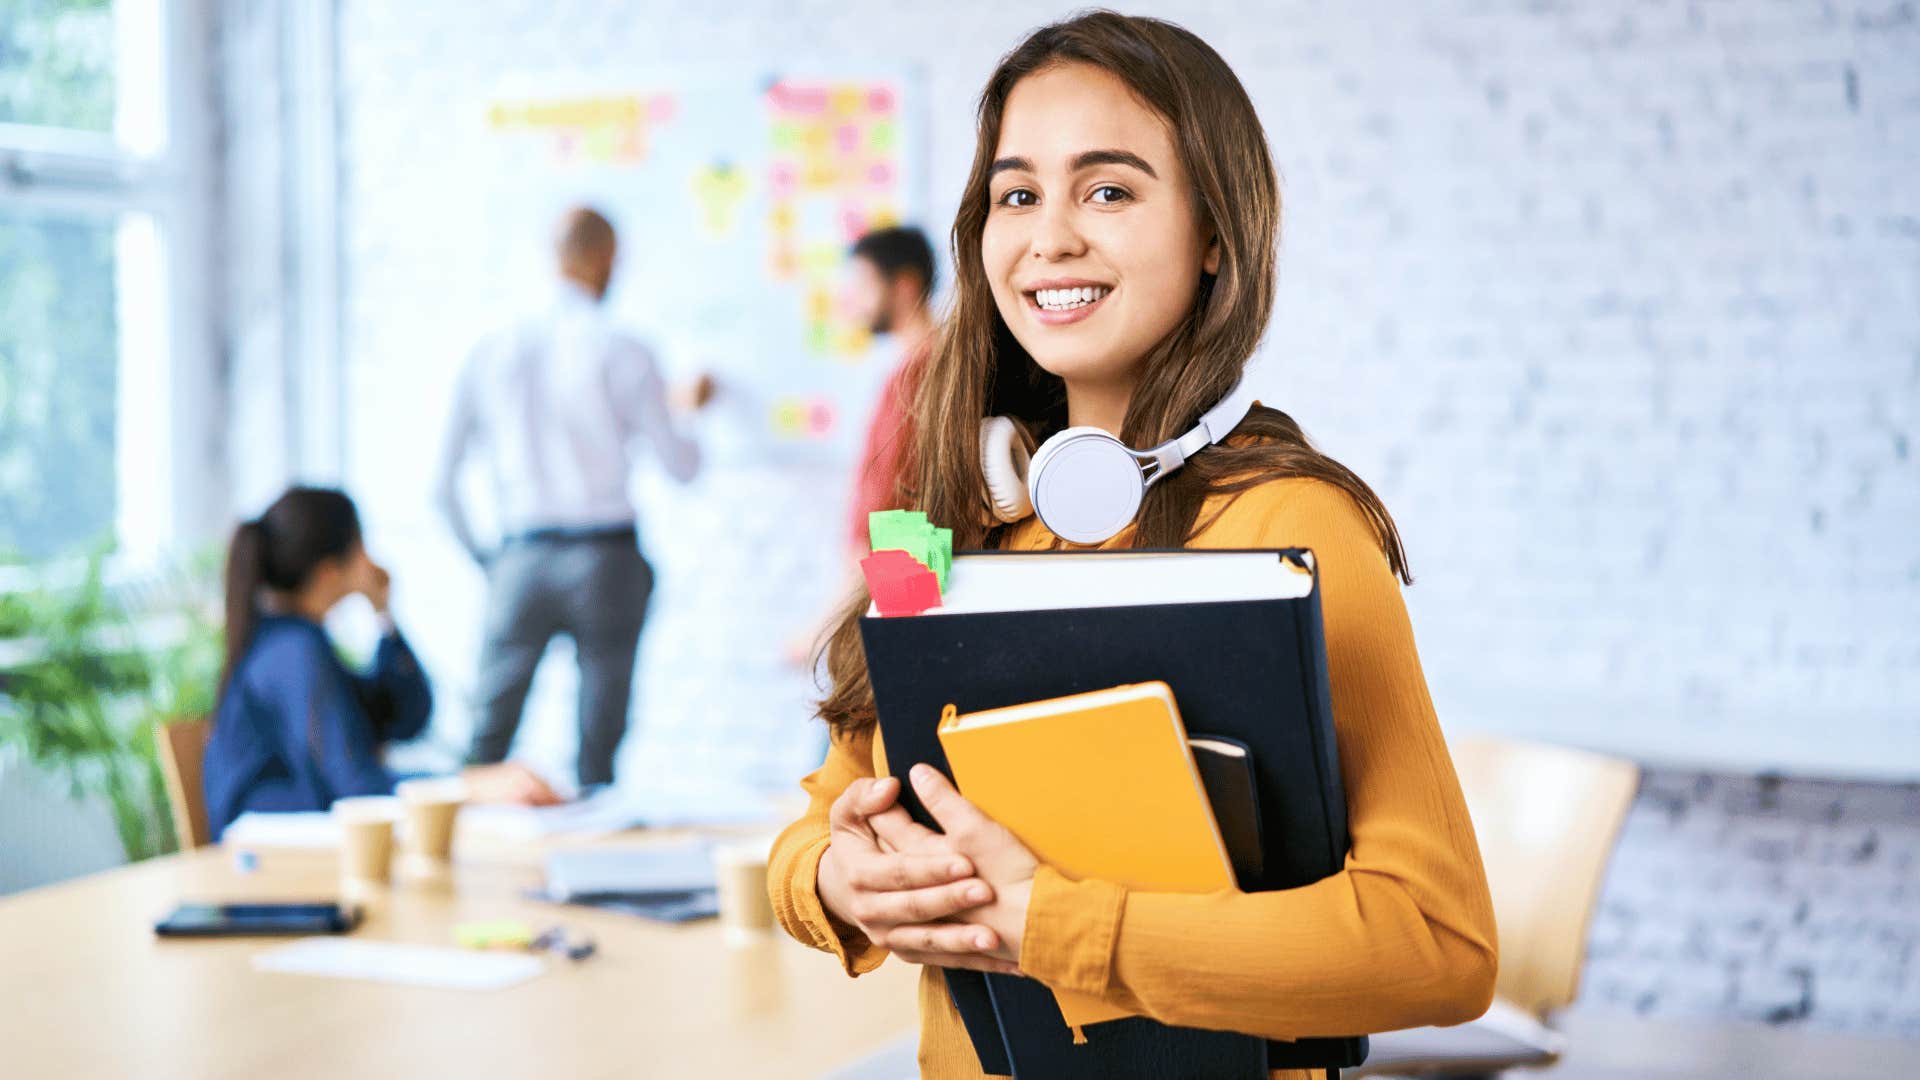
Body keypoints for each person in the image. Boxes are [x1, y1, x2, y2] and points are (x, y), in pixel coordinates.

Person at [767, 13, 1497, 1078]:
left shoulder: (1296, 526)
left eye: (1107, 189)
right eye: (1017, 195)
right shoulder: (928, 519)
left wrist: (1048, 926)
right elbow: (819, 812)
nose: (1051, 236)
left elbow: (1439, 946)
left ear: (1214, 233)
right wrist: (838, 884)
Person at [436, 206, 711, 790]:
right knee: (598, 751)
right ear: (606, 258)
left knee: (484, 746)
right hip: (606, 561)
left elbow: (442, 487)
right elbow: (682, 468)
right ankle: (592, 868)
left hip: (521, 552)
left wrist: (494, 564)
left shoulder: (493, 348)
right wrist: (687, 410)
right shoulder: (626, 349)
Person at [203, 486, 558, 842]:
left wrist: (383, 614)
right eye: (361, 546)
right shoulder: (291, 652)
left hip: (307, 853)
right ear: (330, 573)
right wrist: (469, 786)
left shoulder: (298, 643)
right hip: (277, 867)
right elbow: (357, 786)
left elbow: (408, 717)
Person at [787, 225, 940, 666]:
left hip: (900, 603)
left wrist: (830, 623)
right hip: (899, 601)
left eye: (864, 284)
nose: (853, 299)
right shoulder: (922, 369)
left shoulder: (920, 378)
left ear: (905, 286)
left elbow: (903, 519)